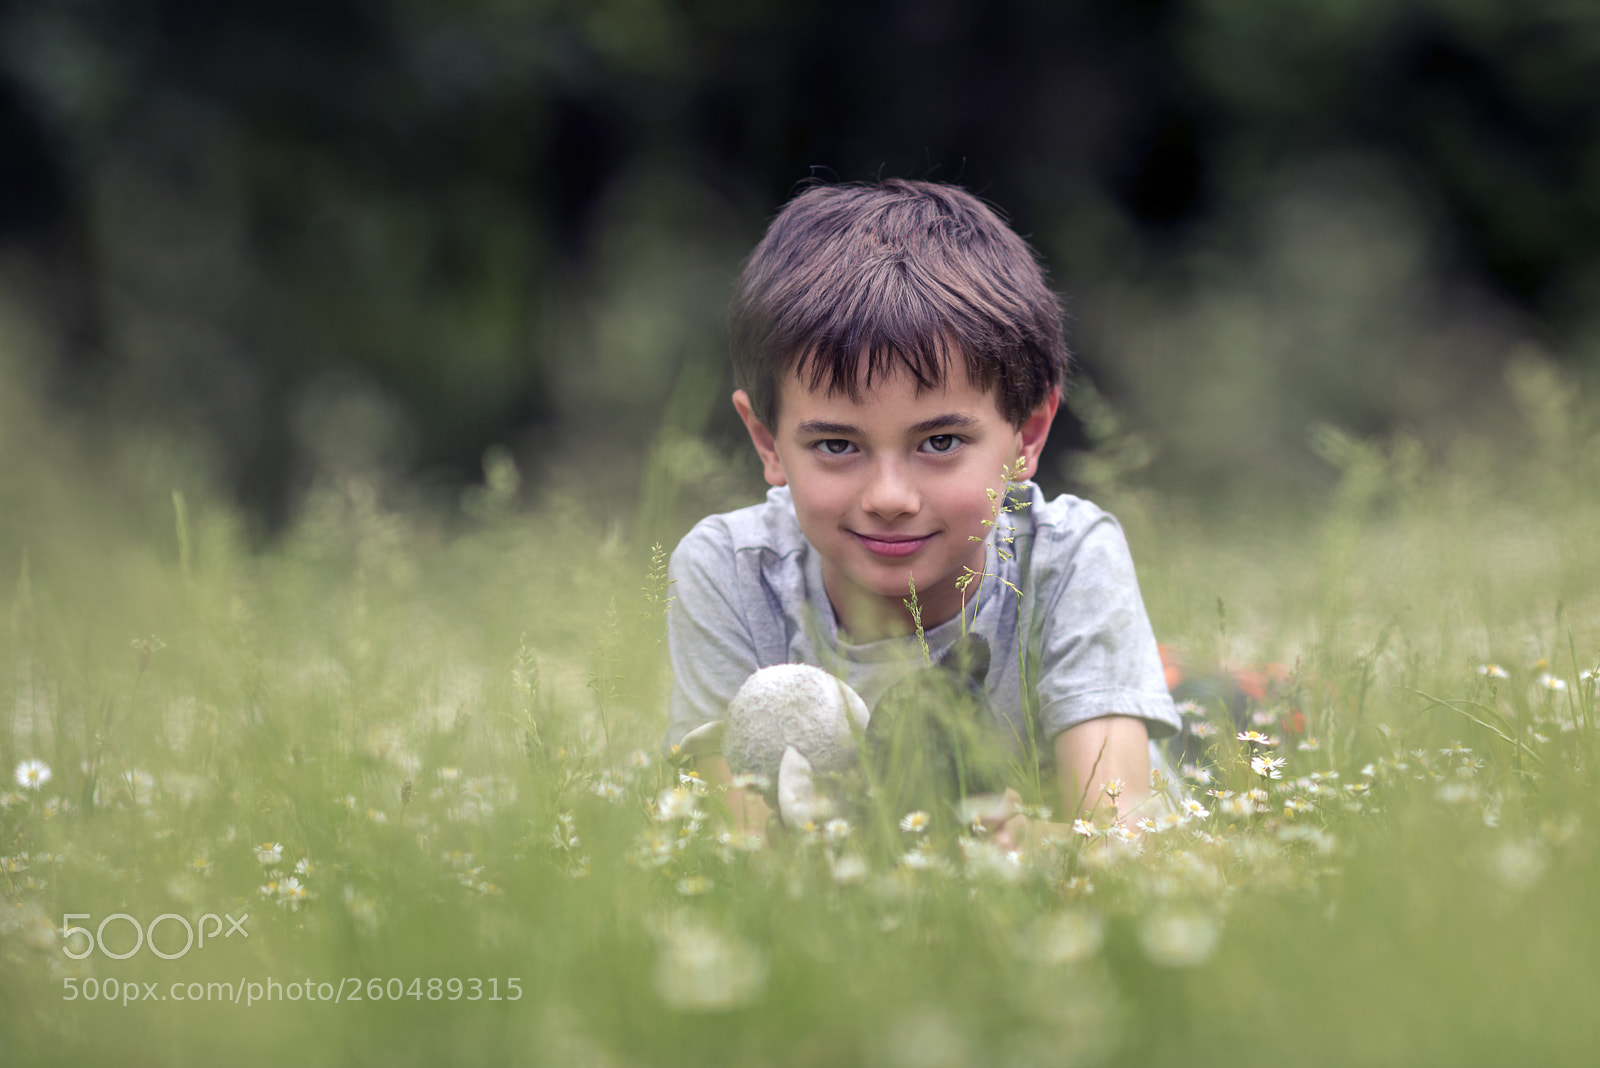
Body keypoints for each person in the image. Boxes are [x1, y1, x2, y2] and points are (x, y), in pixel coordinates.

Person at [663, 178, 1179, 848]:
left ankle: (1197, 685)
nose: (889, 497)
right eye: (837, 445)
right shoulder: (728, 574)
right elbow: (739, 838)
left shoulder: (1070, 557)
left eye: (939, 442)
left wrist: (1014, 842)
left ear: (1026, 435)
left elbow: (1122, 839)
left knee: (1235, 712)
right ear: (768, 441)